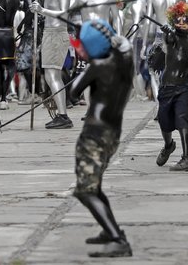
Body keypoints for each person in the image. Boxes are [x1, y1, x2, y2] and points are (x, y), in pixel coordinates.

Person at [68, 19, 134, 258]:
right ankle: (110, 231)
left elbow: (73, 92)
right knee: (94, 185)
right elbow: (123, 48)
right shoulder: (125, 62)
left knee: (85, 190)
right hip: (113, 133)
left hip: (94, 134)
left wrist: (84, 70)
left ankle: (117, 239)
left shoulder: (97, 65)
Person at [155, 1, 188, 171]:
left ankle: (187, 159)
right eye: (178, 20)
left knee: (182, 120)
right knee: (164, 122)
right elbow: (169, 37)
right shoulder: (170, 38)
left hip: (183, 89)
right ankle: (169, 145)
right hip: (166, 88)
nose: (181, 22)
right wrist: (167, 31)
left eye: (185, 20)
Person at [30, 0, 73, 129]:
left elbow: (64, 13)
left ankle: (63, 115)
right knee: (49, 74)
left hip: (57, 34)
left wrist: (42, 10)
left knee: (53, 74)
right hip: (49, 33)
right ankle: (61, 113)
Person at [141, 0, 187, 99]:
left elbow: (147, 21)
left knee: (154, 72)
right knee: (173, 72)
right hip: (176, 37)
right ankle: (168, 101)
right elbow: (185, 21)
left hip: (160, 37)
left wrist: (144, 44)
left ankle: (159, 104)